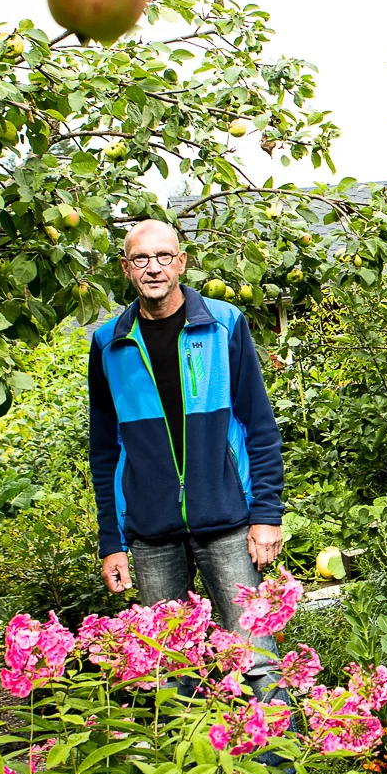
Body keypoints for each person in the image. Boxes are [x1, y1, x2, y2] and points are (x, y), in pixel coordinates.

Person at [89, 219, 285, 679]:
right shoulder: (107, 344)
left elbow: (259, 426)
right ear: (126, 268)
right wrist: (111, 542)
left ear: (181, 263)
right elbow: (104, 450)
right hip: (151, 532)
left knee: (257, 659)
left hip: (228, 523)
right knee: (167, 669)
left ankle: (278, 754)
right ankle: (192, 752)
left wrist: (266, 515)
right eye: (141, 259)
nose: (153, 268)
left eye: (163, 257)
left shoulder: (223, 324)